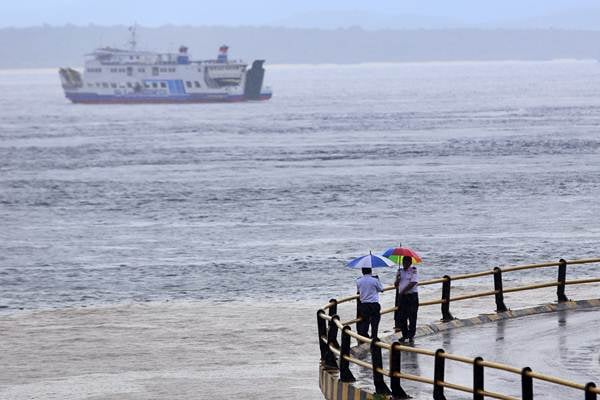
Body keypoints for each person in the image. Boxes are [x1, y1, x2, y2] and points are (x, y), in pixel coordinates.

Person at [394, 256, 419, 343]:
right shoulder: (399, 271)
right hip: (402, 297)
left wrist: (403, 291)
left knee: (412, 317)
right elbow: (396, 285)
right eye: (403, 262)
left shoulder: (413, 270)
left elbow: (413, 283)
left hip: (412, 296)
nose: (404, 264)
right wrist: (397, 280)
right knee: (402, 317)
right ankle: (404, 335)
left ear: (410, 262)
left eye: (406, 262)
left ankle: (411, 335)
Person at [356, 267, 384, 339]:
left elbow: (359, 291)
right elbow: (381, 289)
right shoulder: (375, 280)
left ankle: (365, 338)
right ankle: (374, 337)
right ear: (371, 271)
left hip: (364, 304)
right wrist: (378, 280)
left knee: (365, 322)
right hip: (374, 303)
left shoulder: (358, 281)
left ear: (362, 271)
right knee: (375, 322)